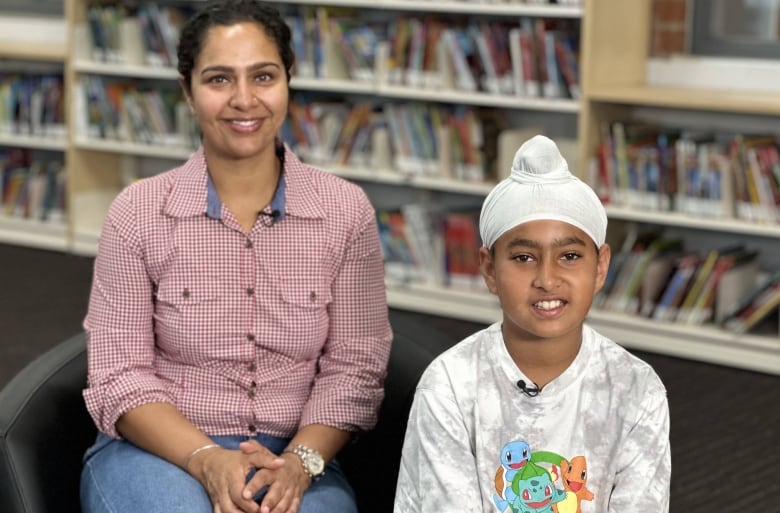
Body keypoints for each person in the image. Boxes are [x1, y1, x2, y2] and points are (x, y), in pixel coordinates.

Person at [79, 1, 392, 513]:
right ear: (187, 91)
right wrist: (204, 457)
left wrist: (300, 461)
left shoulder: (346, 212)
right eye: (219, 79)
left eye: (263, 76)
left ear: (288, 81)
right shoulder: (137, 213)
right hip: (161, 448)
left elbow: (355, 367)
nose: (244, 100)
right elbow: (118, 373)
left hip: (298, 455)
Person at [393, 135, 671, 513]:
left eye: (570, 256)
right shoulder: (452, 385)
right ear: (489, 269)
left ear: (601, 266)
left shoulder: (636, 388)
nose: (547, 278)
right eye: (523, 257)